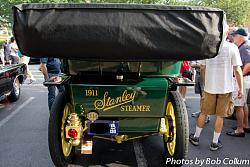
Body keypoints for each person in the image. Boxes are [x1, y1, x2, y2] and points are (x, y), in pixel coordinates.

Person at [189, 26, 243, 151]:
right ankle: (214, 142)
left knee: (204, 112)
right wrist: (240, 88)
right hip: (226, 88)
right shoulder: (232, 47)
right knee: (220, 116)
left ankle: (196, 137)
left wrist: (204, 83)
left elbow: (202, 68)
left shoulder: (207, 47)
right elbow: (237, 70)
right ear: (227, 33)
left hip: (210, 87)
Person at [227, 28, 250, 137]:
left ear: (240, 37)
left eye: (235, 35)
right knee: (243, 104)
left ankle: (240, 129)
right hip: (243, 79)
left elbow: (248, 64)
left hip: (242, 79)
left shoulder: (245, 47)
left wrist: (239, 76)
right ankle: (244, 125)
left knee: (239, 105)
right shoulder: (244, 46)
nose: (233, 37)